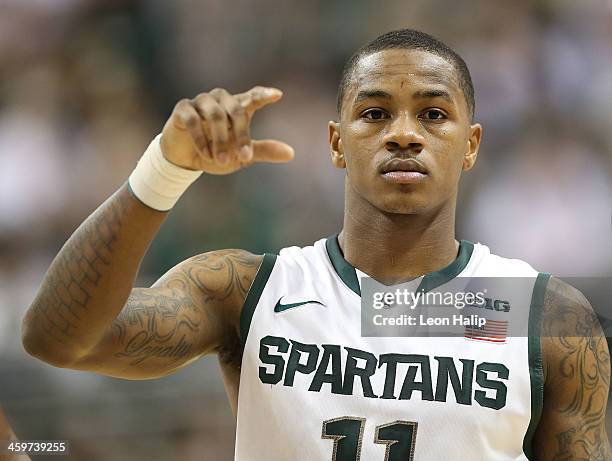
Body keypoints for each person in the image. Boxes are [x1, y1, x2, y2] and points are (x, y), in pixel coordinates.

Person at [21, 29, 610, 460]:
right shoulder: (248, 290)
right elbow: (58, 339)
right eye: (374, 112)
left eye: (433, 113)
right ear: (335, 141)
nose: (403, 133)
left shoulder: (542, 316)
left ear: (472, 143)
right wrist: (164, 170)